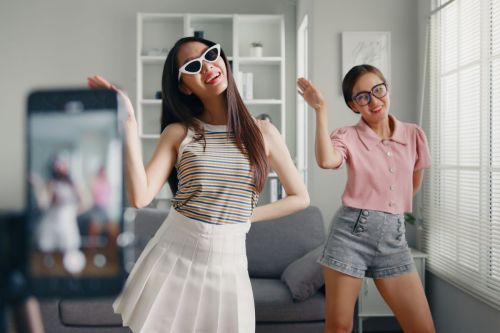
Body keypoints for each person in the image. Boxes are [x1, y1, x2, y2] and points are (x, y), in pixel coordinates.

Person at [88, 36, 309, 333]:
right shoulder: (179, 133)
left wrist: (243, 218)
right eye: (193, 65)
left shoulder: (264, 132)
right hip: (175, 255)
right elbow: (140, 197)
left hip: (230, 263)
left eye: (211, 55)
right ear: (184, 86)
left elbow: (300, 197)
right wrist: (128, 122)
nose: (208, 66)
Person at [297, 65, 435, 333]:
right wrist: (320, 110)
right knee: (339, 327)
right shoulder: (347, 136)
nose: (374, 100)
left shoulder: (414, 134)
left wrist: (387, 208)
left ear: (386, 88)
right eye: (362, 97)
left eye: (378, 90)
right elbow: (327, 160)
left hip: (394, 240)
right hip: (351, 235)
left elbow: (412, 185)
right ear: (353, 105)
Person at [30, 156, 85, 274]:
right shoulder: (52, 184)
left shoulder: (73, 184)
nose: (60, 167)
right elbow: (43, 203)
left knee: (69, 251)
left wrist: (73, 212)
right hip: (54, 220)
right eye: (57, 165)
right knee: (48, 251)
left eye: (62, 164)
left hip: (68, 220)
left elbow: (83, 202)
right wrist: (38, 185)